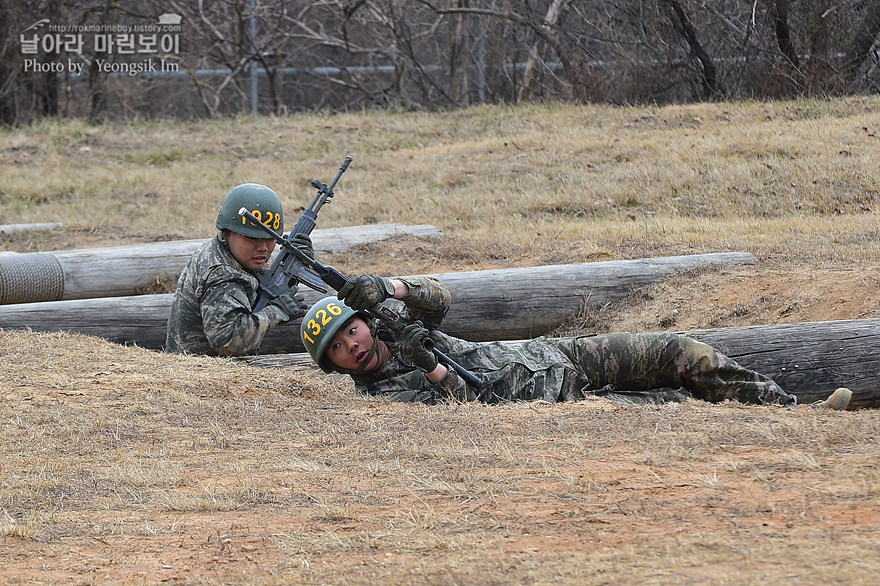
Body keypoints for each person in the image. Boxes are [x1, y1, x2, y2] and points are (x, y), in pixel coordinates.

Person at [300, 274, 852, 410]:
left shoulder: (394, 323)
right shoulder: (384, 399)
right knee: (676, 407)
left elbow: (440, 298)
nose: (352, 343)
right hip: (554, 403)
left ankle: (792, 411)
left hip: (563, 357)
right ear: (337, 366)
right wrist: (436, 372)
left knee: (677, 351)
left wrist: (391, 288)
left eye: (351, 328)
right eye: (339, 348)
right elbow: (470, 413)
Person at [165, 183, 312, 356]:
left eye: (270, 238)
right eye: (252, 238)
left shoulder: (224, 251)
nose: (263, 247)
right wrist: (276, 312)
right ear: (228, 232)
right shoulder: (222, 274)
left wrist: (293, 262)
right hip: (201, 373)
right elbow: (228, 341)